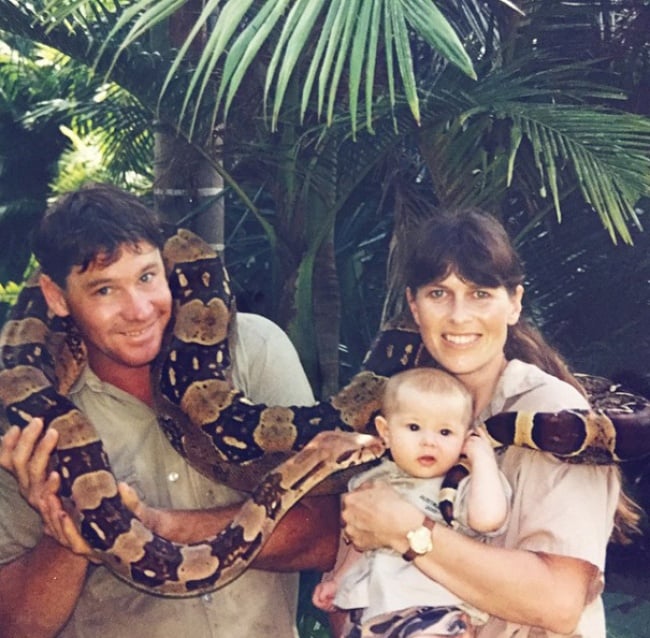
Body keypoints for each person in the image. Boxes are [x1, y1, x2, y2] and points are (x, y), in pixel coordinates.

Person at [0, 183, 339, 638]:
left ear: (170, 268)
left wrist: (161, 527)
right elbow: (15, 625)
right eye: (104, 290)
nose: (138, 310)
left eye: (146, 277)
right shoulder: (25, 427)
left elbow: (327, 535)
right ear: (56, 297)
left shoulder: (254, 350)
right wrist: (68, 536)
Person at [339, 209, 635, 637]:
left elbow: (559, 601)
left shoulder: (557, 416)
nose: (459, 316)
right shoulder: (411, 411)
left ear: (514, 303)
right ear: (413, 306)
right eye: (439, 294)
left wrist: (408, 532)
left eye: (480, 294)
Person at [312, 367, 511, 637]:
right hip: (373, 610)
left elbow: (488, 519)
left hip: (433, 612)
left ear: (465, 438)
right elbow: (361, 539)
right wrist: (338, 580)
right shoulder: (373, 481)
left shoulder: (463, 482)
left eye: (445, 432)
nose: (429, 441)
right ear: (386, 431)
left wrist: (483, 459)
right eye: (414, 427)